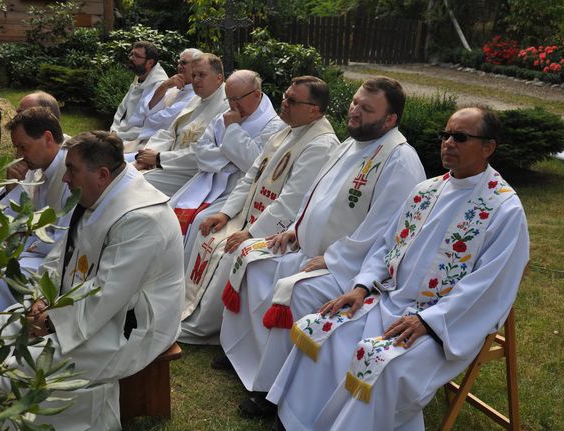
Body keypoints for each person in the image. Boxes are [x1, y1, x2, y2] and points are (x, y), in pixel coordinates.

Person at [267, 106, 530, 431]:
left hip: (444, 325)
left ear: (488, 147)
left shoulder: (503, 209)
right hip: (388, 302)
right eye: (445, 135)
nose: (448, 143)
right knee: (325, 329)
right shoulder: (426, 191)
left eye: (460, 137)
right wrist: (361, 287)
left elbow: (490, 286)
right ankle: (299, 422)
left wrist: (428, 321)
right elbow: (384, 247)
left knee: (381, 365)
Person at [218, 77, 426, 416]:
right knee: (252, 259)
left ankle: (271, 391)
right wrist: (295, 229)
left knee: (294, 291)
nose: (355, 111)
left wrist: (333, 259)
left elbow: (385, 230)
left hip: (353, 271)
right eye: (355, 103)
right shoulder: (351, 144)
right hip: (308, 250)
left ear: (390, 120)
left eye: (366, 108)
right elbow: (316, 193)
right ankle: (246, 356)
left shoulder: (399, 160)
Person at [0, 131, 185, 430]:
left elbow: (106, 294)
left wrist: (51, 322)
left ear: (103, 174)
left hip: (132, 325)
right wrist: (39, 299)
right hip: (82, 308)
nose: (65, 178)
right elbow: (60, 257)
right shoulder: (95, 193)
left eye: (71, 170)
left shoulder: (141, 218)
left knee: (18, 368)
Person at [178, 76, 340, 344]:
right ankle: (186, 309)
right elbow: (252, 176)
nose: (284, 103)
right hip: (248, 218)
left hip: (280, 231)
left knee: (228, 252)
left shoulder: (320, 144)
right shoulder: (286, 130)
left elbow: (291, 201)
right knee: (207, 231)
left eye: (292, 100)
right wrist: (226, 213)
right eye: (285, 96)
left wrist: (251, 232)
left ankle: (203, 326)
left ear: (314, 109)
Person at [169, 69, 285, 264]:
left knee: (199, 222)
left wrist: (232, 130)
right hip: (207, 180)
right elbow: (201, 153)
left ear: (256, 94)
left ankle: (182, 274)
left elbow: (254, 165)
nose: (232, 104)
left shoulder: (274, 126)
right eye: (229, 98)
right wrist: (231, 157)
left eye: (236, 98)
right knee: (172, 207)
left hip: (235, 189)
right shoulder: (225, 115)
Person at [0, 107, 71, 317]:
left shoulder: (70, 172)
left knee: (3, 278)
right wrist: (13, 187)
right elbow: (29, 213)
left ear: (47, 138)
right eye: (17, 148)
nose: (19, 156)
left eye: (24, 147)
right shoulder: (38, 164)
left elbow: (65, 236)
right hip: (36, 246)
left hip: (57, 260)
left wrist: (25, 240)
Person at [134, 53, 229, 196]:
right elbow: (170, 132)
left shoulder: (226, 107)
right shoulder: (197, 99)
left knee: (133, 185)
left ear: (218, 78)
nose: (195, 80)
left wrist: (160, 158)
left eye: (202, 75)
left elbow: (206, 153)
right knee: (121, 173)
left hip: (195, 175)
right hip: (169, 163)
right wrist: (147, 156)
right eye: (194, 75)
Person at [123, 48, 202, 155]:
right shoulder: (173, 86)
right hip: (143, 135)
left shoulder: (196, 95)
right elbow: (143, 110)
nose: (179, 66)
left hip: (159, 144)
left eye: (183, 63)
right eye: (178, 62)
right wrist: (164, 86)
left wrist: (148, 116)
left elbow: (160, 120)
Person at [110, 41, 168, 141]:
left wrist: (118, 136)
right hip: (120, 135)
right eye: (131, 54)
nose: (131, 58)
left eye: (137, 56)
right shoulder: (139, 77)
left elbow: (150, 125)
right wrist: (113, 130)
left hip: (140, 141)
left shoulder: (160, 87)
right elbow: (122, 109)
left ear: (150, 62)